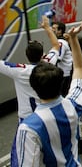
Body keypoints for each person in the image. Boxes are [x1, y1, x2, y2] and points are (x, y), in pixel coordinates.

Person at [16, 21, 82, 166]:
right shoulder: (73, 104)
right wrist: (73, 38)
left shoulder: (28, 127)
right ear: (61, 84)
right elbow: (78, 67)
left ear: (34, 88)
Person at [0, 15, 59, 167]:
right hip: (46, 115)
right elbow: (56, 45)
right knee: (50, 151)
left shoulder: (18, 71)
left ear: (27, 55)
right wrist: (47, 27)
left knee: (22, 154)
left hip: (27, 120)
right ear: (42, 54)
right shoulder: (48, 64)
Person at [52, 21, 73, 96]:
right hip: (65, 73)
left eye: (54, 28)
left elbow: (58, 58)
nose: (52, 30)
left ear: (60, 31)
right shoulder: (62, 41)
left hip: (65, 74)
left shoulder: (60, 43)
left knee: (63, 95)